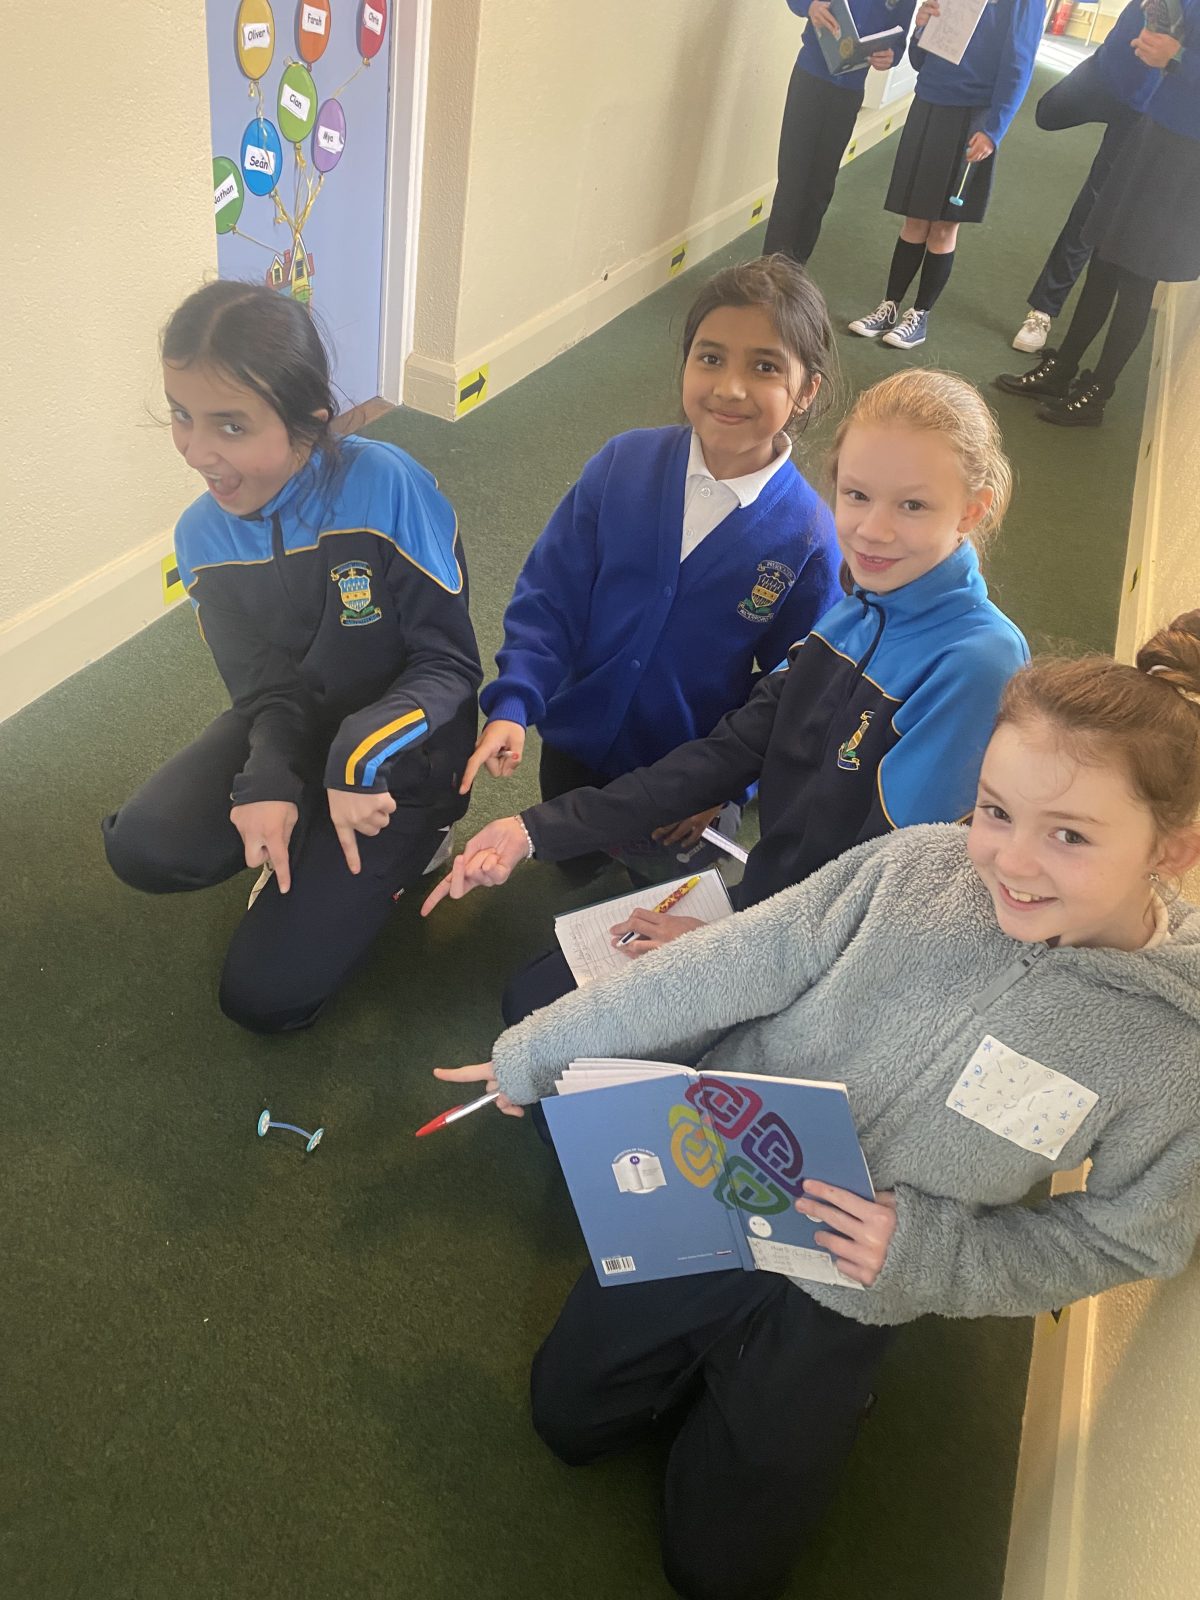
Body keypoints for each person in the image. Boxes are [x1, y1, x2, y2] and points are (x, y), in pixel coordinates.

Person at [434, 615, 1200, 1600]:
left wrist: (925, 1255)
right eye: (995, 809)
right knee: (565, 1418)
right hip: (715, 1187)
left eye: (1070, 835)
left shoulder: (1170, 1049)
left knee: (718, 1573)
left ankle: (804, 1395)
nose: (1010, 861)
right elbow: (733, 958)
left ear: (1173, 849)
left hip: (853, 1290)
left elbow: (1129, 1238)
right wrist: (542, 1048)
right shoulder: (915, 868)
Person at [423, 369, 1029, 1028]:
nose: (872, 531)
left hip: (828, 970)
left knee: (545, 1028)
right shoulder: (857, 613)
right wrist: (531, 830)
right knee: (533, 1000)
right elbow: (725, 754)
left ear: (973, 510)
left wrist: (721, 948)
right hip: (771, 907)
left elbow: (887, 896)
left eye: (912, 506)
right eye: (857, 495)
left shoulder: (977, 662)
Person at [101, 281, 481, 1033]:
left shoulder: (386, 484)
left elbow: (450, 667)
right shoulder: (200, 536)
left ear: (309, 419)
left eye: (231, 425)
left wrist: (354, 762)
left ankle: (422, 842)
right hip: (299, 728)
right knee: (143, 847)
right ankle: (303, 819)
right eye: (181, 414)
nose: (197, 452)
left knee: (263, 1000)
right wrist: (270, 777)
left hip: (402, 759)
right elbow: (266, 692)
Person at [461, 255, 840, 886]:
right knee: (572, 865)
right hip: (577, 744)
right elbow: (551, 596)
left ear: (807, 391)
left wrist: (728, 787)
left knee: (654, 891)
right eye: (710, 357)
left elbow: (793, 691)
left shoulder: (808, 537)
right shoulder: (623, 464)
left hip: (686, 780)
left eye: (765, 367)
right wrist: (516, 699)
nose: (730, 388)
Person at [996, 2, 1200, 427]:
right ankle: (1063, 368)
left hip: (1187, 155)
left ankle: (1096, 394)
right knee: (1104, 255)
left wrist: (1177, 57)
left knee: (1137, 276)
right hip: (1153, 125)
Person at [848, 0, 1044, 350]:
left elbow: (1020, 62)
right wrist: (921, 28)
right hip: (928, 103)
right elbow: (919, 60)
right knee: (914, 218)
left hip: (973, 115)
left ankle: (920, 315)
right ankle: (889, 306)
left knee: (943, 225)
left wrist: (994, 130)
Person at [1011, 1, 1167, 354]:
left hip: (1142, 104)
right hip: (1105, 72)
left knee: (1093, 205)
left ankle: (1042, 311)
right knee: (1047, 113)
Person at [762, 0, 917, 267]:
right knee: (792, 182)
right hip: (810, 79)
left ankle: (795, 272)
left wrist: (892, 55)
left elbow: (899, 36)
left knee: (820, 187)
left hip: (849, 92)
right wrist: (809, 6)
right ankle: (768, 273)